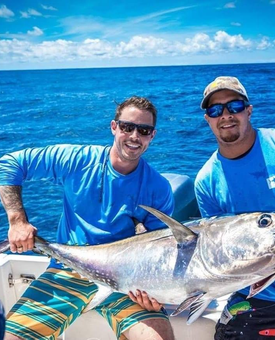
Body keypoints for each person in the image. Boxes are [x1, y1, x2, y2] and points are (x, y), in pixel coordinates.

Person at [0, 96, 175, 340]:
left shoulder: (159, 187)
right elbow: (10, 163)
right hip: (67, 272)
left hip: (126, 281)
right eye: (127, 127)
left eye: (143, 130)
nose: (135, 136)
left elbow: (158, 251)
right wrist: (17, 220)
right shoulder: (77, 160)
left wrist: (157, 294)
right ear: (114, 127)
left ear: (152, 136)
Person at [194, 76, 275, 340]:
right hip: (258, 292)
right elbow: (218, 252)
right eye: (215, 110)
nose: (225, 115)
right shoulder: (206, 182)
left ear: (248, 109)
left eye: (234, 106)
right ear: (208, 119)